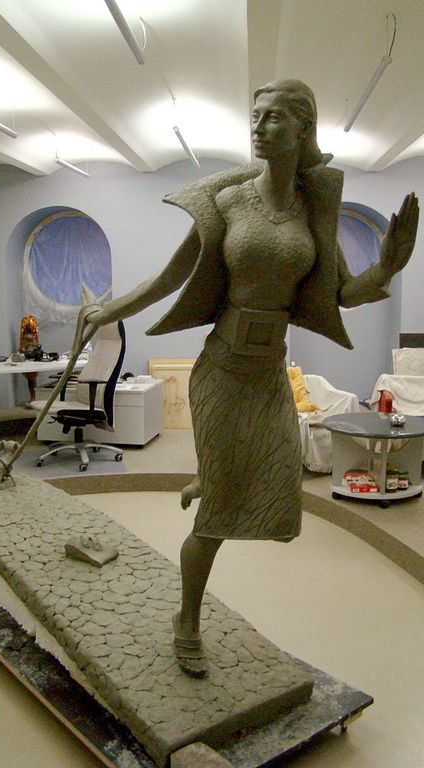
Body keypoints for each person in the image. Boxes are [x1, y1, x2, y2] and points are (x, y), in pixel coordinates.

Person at [73, 80, 419, 678]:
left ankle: (211, 476)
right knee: (218, 514)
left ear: (304, 128)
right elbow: (171, 276)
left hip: (267, 374)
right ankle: (187, 618)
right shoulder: (230, 201)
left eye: (274, 117)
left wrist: (387, 266)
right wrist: (110, 311)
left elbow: (344, 292)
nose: (258, 127)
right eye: (255, 116)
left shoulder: (313, 211)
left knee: (279, 489)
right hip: (223, 370)